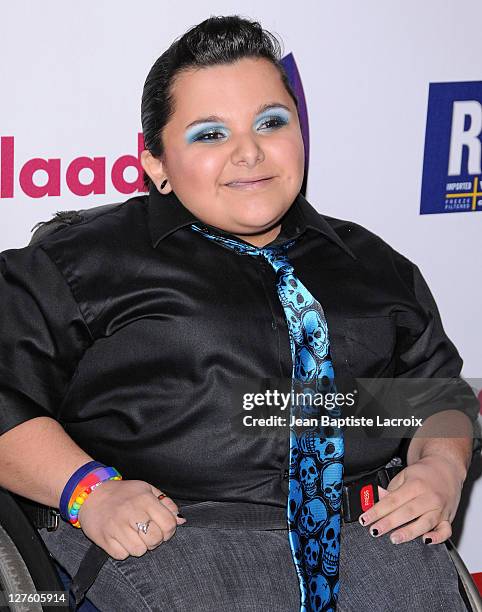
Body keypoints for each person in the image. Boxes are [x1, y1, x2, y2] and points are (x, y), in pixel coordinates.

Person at [0, 14, 478, 612]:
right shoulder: (80, 264)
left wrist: (441, 469)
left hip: (378, 547)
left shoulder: (373, 267)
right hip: (170, 549)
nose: (248, 152)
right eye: (209, 134)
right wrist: (86, 493)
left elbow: (435, 396)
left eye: (270, 123)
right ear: (155, 163)